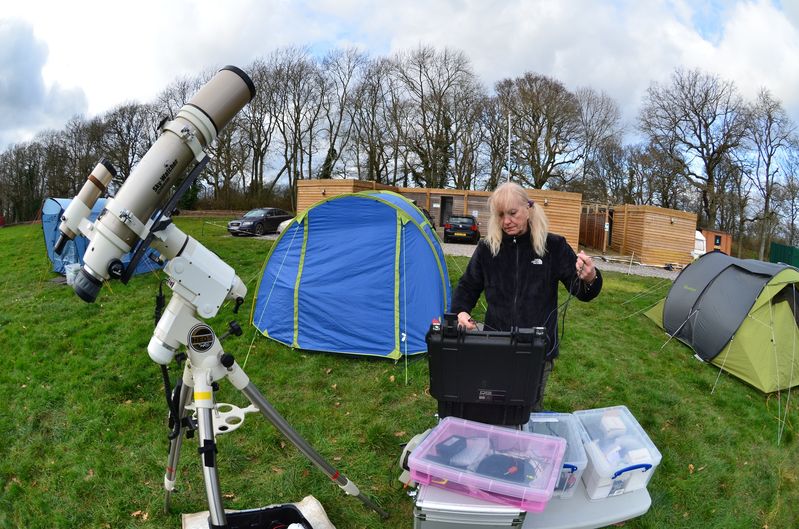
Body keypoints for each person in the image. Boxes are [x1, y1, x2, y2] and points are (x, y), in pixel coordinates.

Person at [450, 182, 602, 411]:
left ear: (528, 209)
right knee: (494, 406)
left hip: (538, 350)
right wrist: (461, 312)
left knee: (528, 409)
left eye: (512, 213)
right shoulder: (488, 248)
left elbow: (581, 291)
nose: (506, 221)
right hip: (495, 345)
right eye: (500, 215)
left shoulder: (553, 246)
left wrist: (590, 277)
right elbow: (467, 286)